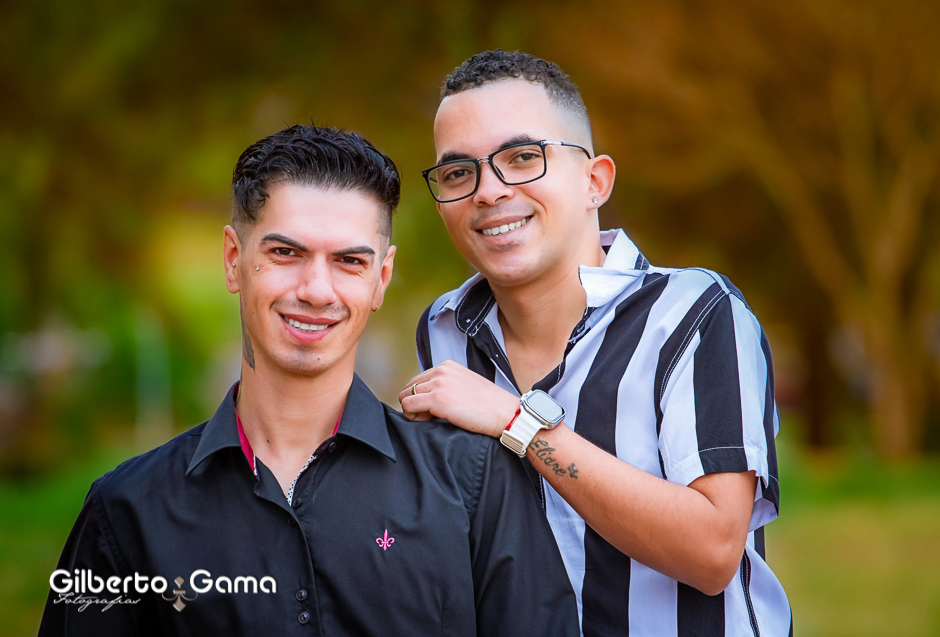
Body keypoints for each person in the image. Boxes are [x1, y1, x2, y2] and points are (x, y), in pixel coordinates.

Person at [39, 124, 579, 637]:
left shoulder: (473, 483)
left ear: (380, 279)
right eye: (286, 253)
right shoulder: (126, 510)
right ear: (233, 259)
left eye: (349, 261)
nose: (316, 290)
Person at [400, 50, 792, 636]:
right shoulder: (445, 329)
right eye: (458, 172)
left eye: (522, 158)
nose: (488, 191)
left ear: (594, 182)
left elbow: (713, 552)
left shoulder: (694, 313)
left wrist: (517, 422)